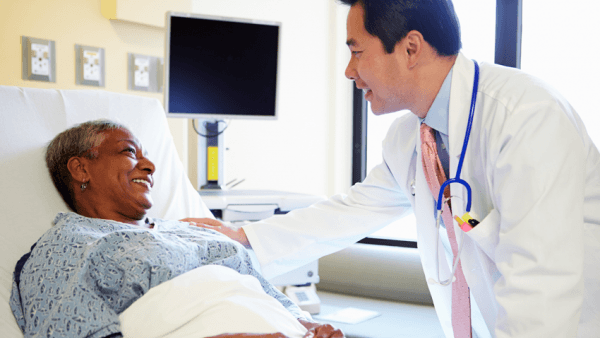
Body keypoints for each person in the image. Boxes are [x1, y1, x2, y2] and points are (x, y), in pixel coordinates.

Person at [189, 0, 600, 337]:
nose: (349, 71)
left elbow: (540, 294)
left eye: (356, 51)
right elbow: (350, 211)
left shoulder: (527, 118)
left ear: (410, 48)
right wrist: (244, 238)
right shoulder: (410, 139)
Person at [10, 120, 343, 338]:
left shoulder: (190, 230)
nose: (150, 166)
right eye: (129, 152)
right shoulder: (69, 244)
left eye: (147, 156)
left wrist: (310, 326)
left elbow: (270, 298)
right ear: (81, 169)